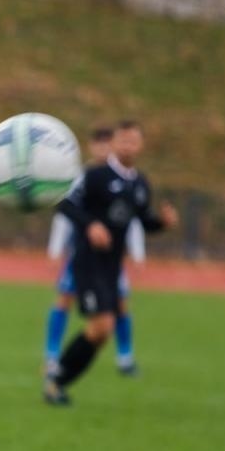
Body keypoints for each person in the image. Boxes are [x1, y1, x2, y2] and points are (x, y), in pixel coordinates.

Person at [44, 120, 176, 405]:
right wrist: (91, 225)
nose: (127, 146)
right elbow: (64, 203)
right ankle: (55, 379)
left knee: (101, 334)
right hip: (88, 262)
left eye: (133, 141)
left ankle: (58, 381)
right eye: (123, 140)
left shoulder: (140, 183)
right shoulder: (95, 176)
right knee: (103, 326)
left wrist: (162, 222)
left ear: (140, 146)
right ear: (114, 143)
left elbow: (144, 220)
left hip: (113, 267)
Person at [44, 126, 144, 375]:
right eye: (97, 144)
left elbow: (131, 219)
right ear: (90, 147)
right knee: (64, 299)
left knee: (120, 304)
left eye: (106, 143)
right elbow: (65, 210)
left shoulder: (127, 179)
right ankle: (52, 355)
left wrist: (137, 252)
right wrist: (56, 248)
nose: (102, 149)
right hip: (82, 255)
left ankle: (125, 357)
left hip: (111, 260)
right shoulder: (84, 176)